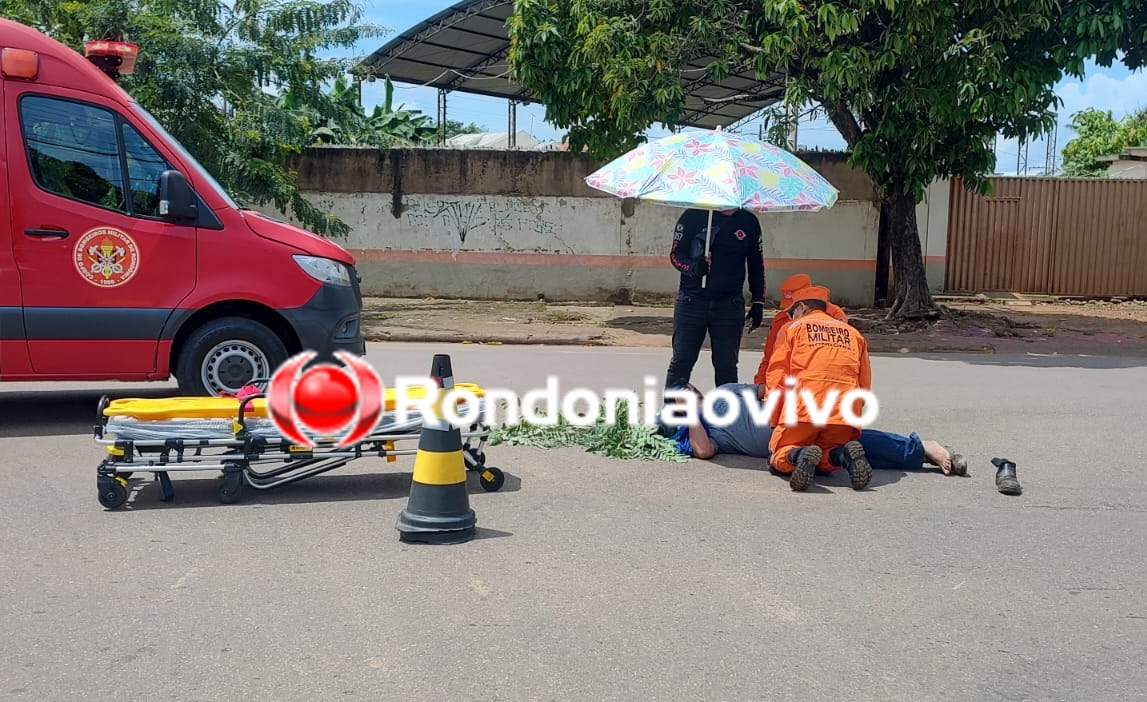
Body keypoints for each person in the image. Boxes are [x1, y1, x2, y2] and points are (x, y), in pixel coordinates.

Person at [658, 383, 967, 476]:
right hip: (788, 442)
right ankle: (922, 450)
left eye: (691, 390)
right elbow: (704, 452)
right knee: (849, 449)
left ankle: (922, 447)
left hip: (795, 415)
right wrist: (689, 415)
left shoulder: (724, 391)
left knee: (853, 436)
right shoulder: (702, 432)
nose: (693, 395)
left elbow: (765, 388)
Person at [765, 285, 872, 492]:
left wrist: (774, 417)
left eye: (791, 311)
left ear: (802, 307)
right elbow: (864, 384)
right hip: (844, 410)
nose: (790, 315)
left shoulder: (793, 328)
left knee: (780, 454)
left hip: (805, 407)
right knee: (826, 455)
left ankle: (799, 455)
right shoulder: (854, 334)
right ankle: (842, 454)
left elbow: (777, 377)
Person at [664, 207, 766, 390]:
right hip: (691, 301)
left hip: (729, 305)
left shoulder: (749, 221)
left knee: (726, 366)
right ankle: (671, 415)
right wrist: (693, 267)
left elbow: (756, 264)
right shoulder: (692, 216)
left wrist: (758, 302)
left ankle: (726, 415)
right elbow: (675, 255)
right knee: (682, 362)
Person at [754, 273, 849, 388]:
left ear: (804, 304)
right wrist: (760, 385)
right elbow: (769, 358)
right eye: (789, 307)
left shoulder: (834, 316)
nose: (791, 312)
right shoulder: (781, 319)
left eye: (795, 307)